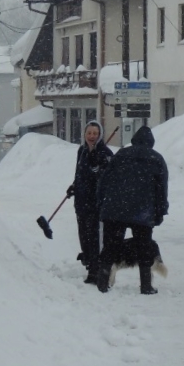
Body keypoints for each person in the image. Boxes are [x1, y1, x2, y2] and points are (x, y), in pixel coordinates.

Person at [95, 125, 169, 294]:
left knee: (110, 246)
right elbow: (161, 190)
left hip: (114, 209)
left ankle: (102, 282)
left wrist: (101, 204)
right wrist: (160, 212)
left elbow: (103, 181)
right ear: (151, 143)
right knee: (144, 247)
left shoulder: (120, 154)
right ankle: (146, 286)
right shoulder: (156, 158)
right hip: (142, 211)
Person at [68, 120, 113, 284]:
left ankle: (95, 270)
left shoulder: (105, 153)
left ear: (100, 135)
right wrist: (74, 186)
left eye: (95, 133)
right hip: (81, 201)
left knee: (94, 237)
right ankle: (89, 262)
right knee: (84, 235)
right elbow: (79, 172)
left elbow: (106, 179)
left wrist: (97, 167)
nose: (92, 136)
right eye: (89, 133)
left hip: (96, 203)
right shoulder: (82, 151)